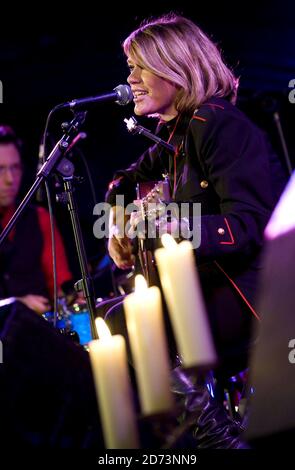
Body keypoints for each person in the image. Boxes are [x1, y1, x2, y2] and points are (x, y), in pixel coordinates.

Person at [103, 14, 281, 447]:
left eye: (139, 66)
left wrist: (172, 226)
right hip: (209, 293)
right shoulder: (178, 136)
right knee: (117, 313)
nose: (130, 78)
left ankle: (217, 438)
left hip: (250, 298)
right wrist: (117, 221)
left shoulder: (218, 124)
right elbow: (123, 181)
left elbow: (250, 224)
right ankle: (212, 433)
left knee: (124, 319)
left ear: (175, 68)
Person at [0, 125, 73, 314]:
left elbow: (60, 289)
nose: (10, 179)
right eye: (0, 169)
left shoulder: (39, 218)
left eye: (15, 167)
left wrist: (71, 298)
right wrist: (15, 304)